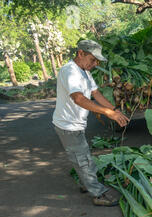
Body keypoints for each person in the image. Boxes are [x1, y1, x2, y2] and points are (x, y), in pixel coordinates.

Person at [53, 39, 129, 206]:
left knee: (82, 156)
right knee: (82, 159)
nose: (95, 64)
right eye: (93, 59)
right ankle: (98, 194)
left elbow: (96, 94)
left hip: (76, 124)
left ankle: (85, 182)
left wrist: (114, 110)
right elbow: (79, 99)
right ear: (81, 53)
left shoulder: (85, 72)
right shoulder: (69, 71)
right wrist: (108, 112)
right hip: (68, 126)